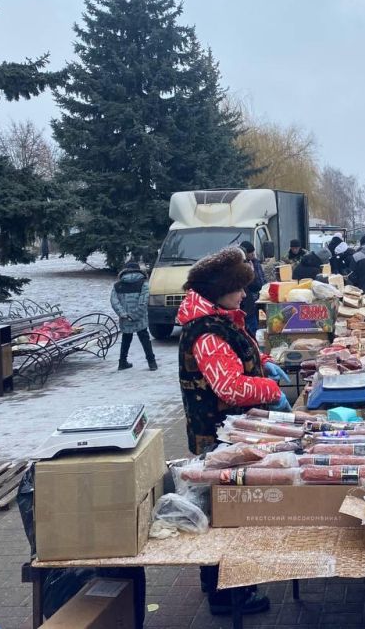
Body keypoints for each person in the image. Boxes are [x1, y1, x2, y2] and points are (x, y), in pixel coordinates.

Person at [176, 247, 290, 616]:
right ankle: (226, 595)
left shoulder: (221, 320)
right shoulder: (206, 332)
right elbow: (230, 388)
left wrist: (265, 363)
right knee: (225, 514)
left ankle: (232, 586)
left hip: (233, 433)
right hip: (219, 437)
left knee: (231, 509)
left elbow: (239, 359)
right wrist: (271, 390)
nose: (245, 294)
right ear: (220, 289)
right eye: (239, 288)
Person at [110, 262, 157, 371]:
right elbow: (143, 302)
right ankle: (152, 363)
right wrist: (135, 315)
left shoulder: (117, 285)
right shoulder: (143, 284)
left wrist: (123, 314)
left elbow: (114, 301)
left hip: (125, 319)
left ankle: (122, 362)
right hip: (140, 318)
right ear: (138, 270)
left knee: (126, 338)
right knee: (145, 339)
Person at [238, 242, 265, 336]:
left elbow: (261, 281)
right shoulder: (244, 268)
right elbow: (254, 285)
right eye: (251, 253)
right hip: (246, 307)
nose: (253, 255)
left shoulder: (254, 262)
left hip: (248, 306)